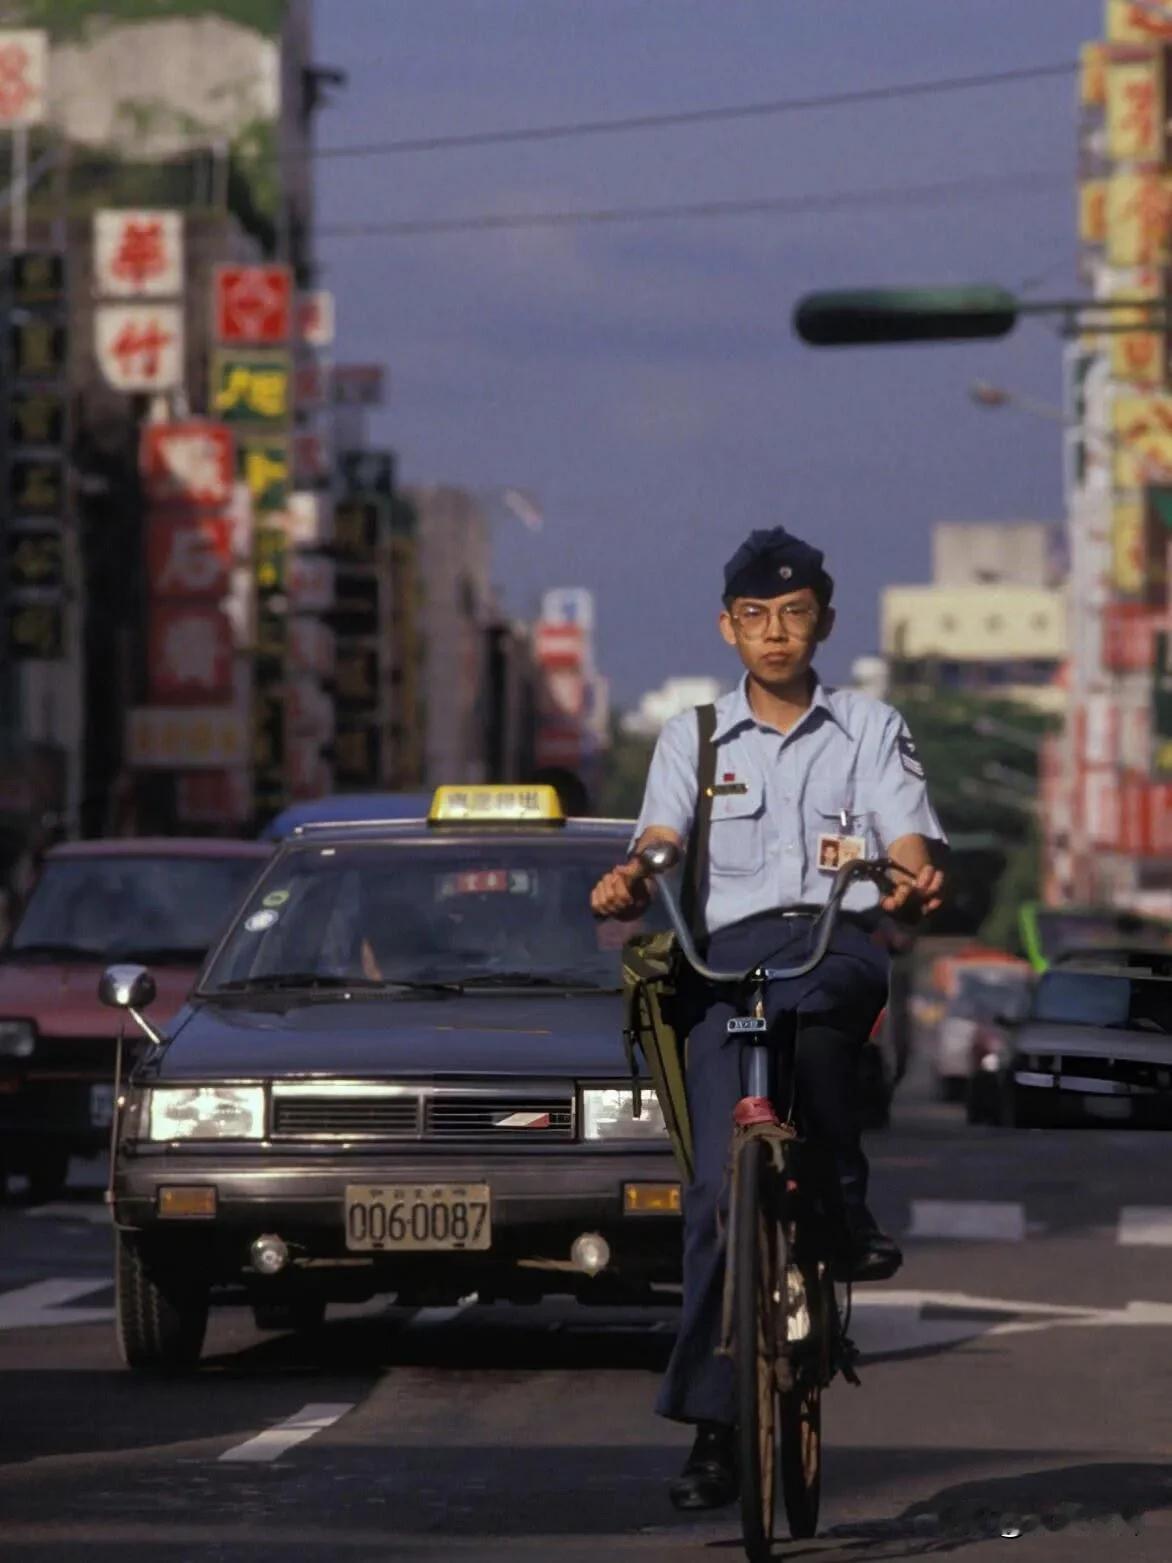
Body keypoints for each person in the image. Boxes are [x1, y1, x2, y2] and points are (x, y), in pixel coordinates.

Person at [589, 525, 945, 1511]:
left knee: (825, 1009)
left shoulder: (867, 727)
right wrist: (631, 877)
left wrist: (911, 877)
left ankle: (839, 1196)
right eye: (755, 617)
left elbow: (904, 831)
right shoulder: (690, 735)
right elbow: (660, 838)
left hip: (831, 940)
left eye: (793, 615)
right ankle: (713, 1433)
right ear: (727, 628)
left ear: (821, 623)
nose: (775, 633)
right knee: (711, 1198)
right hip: (724, 958)